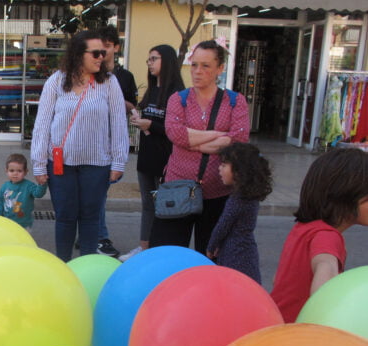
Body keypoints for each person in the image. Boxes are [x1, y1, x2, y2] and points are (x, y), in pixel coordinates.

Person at [30, 30, 128, 262]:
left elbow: (118, 122)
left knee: (91, 217)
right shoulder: (56, 81)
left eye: (103, 53)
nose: (100, 57)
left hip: (97, 164)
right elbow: (42, 124)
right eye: (95, 53)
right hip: (61, 163)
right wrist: (39, 163)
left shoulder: (109, 83)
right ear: (78, 54)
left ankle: (87, 266)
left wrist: (119, 160)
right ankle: (63, 264)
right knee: (64, 217)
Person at [149, 39, 250, 255]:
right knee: (168, 256)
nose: (197, 71)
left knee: (211, 258)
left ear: (219, 69)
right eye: (194, 65)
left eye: (205, 66)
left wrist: (192, 141)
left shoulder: (234, 102)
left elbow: (238, 141)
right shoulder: (179, 99)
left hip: (218, 191)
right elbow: (175, 134)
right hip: (178, 189)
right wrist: (217, 136)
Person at [270, 148, 368, 323]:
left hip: (279, 323)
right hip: (301, 333)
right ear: (344, 197)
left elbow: (280, 279)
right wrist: (326, 310)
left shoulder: (305, 228)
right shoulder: (327, 236)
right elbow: (326, 266)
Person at [122, 44, 185, 261]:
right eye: (148, 59)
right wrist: (137, 119)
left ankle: (160, 251)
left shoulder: (177, 94)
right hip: (146, 156)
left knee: (165, 206)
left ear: (167, 61)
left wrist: (150, 125)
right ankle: (144, 247)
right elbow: (146, 115)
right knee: (148, 204)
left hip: (166, 158)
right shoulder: (151, 90)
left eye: (154, 59)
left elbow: (176, 130)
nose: (149, 63)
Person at [95, 24, 138, 257]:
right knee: (97, 193)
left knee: (100, 192)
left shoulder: (124, 77)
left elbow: (132, 107)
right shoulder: (91, 74)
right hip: (96, 143)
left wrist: (115, 100)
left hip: (114, 142)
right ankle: (98, 236)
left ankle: (97, 235)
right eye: (99, 47)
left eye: (107, 46)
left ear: (116, 48)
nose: (102, 51)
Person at [205, 143, 272, 283]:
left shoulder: (238, 199)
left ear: (239, 171)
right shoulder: (250, 195)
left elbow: (223, 225)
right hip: (247, 250)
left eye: (223, 165)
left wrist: (211, 247)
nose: (219, 169)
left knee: (234, 285)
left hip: (234, 253)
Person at [0, 153, 47, 230]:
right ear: (6, 171)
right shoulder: (4, 186)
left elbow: (38, 194)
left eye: (19, 171)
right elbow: (1, 203)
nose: (15, 173)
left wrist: (42, 184)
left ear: (26, 172)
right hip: (7, 223)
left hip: (24, 225)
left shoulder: (29, 185)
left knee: (22, 242)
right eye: (11, 170)